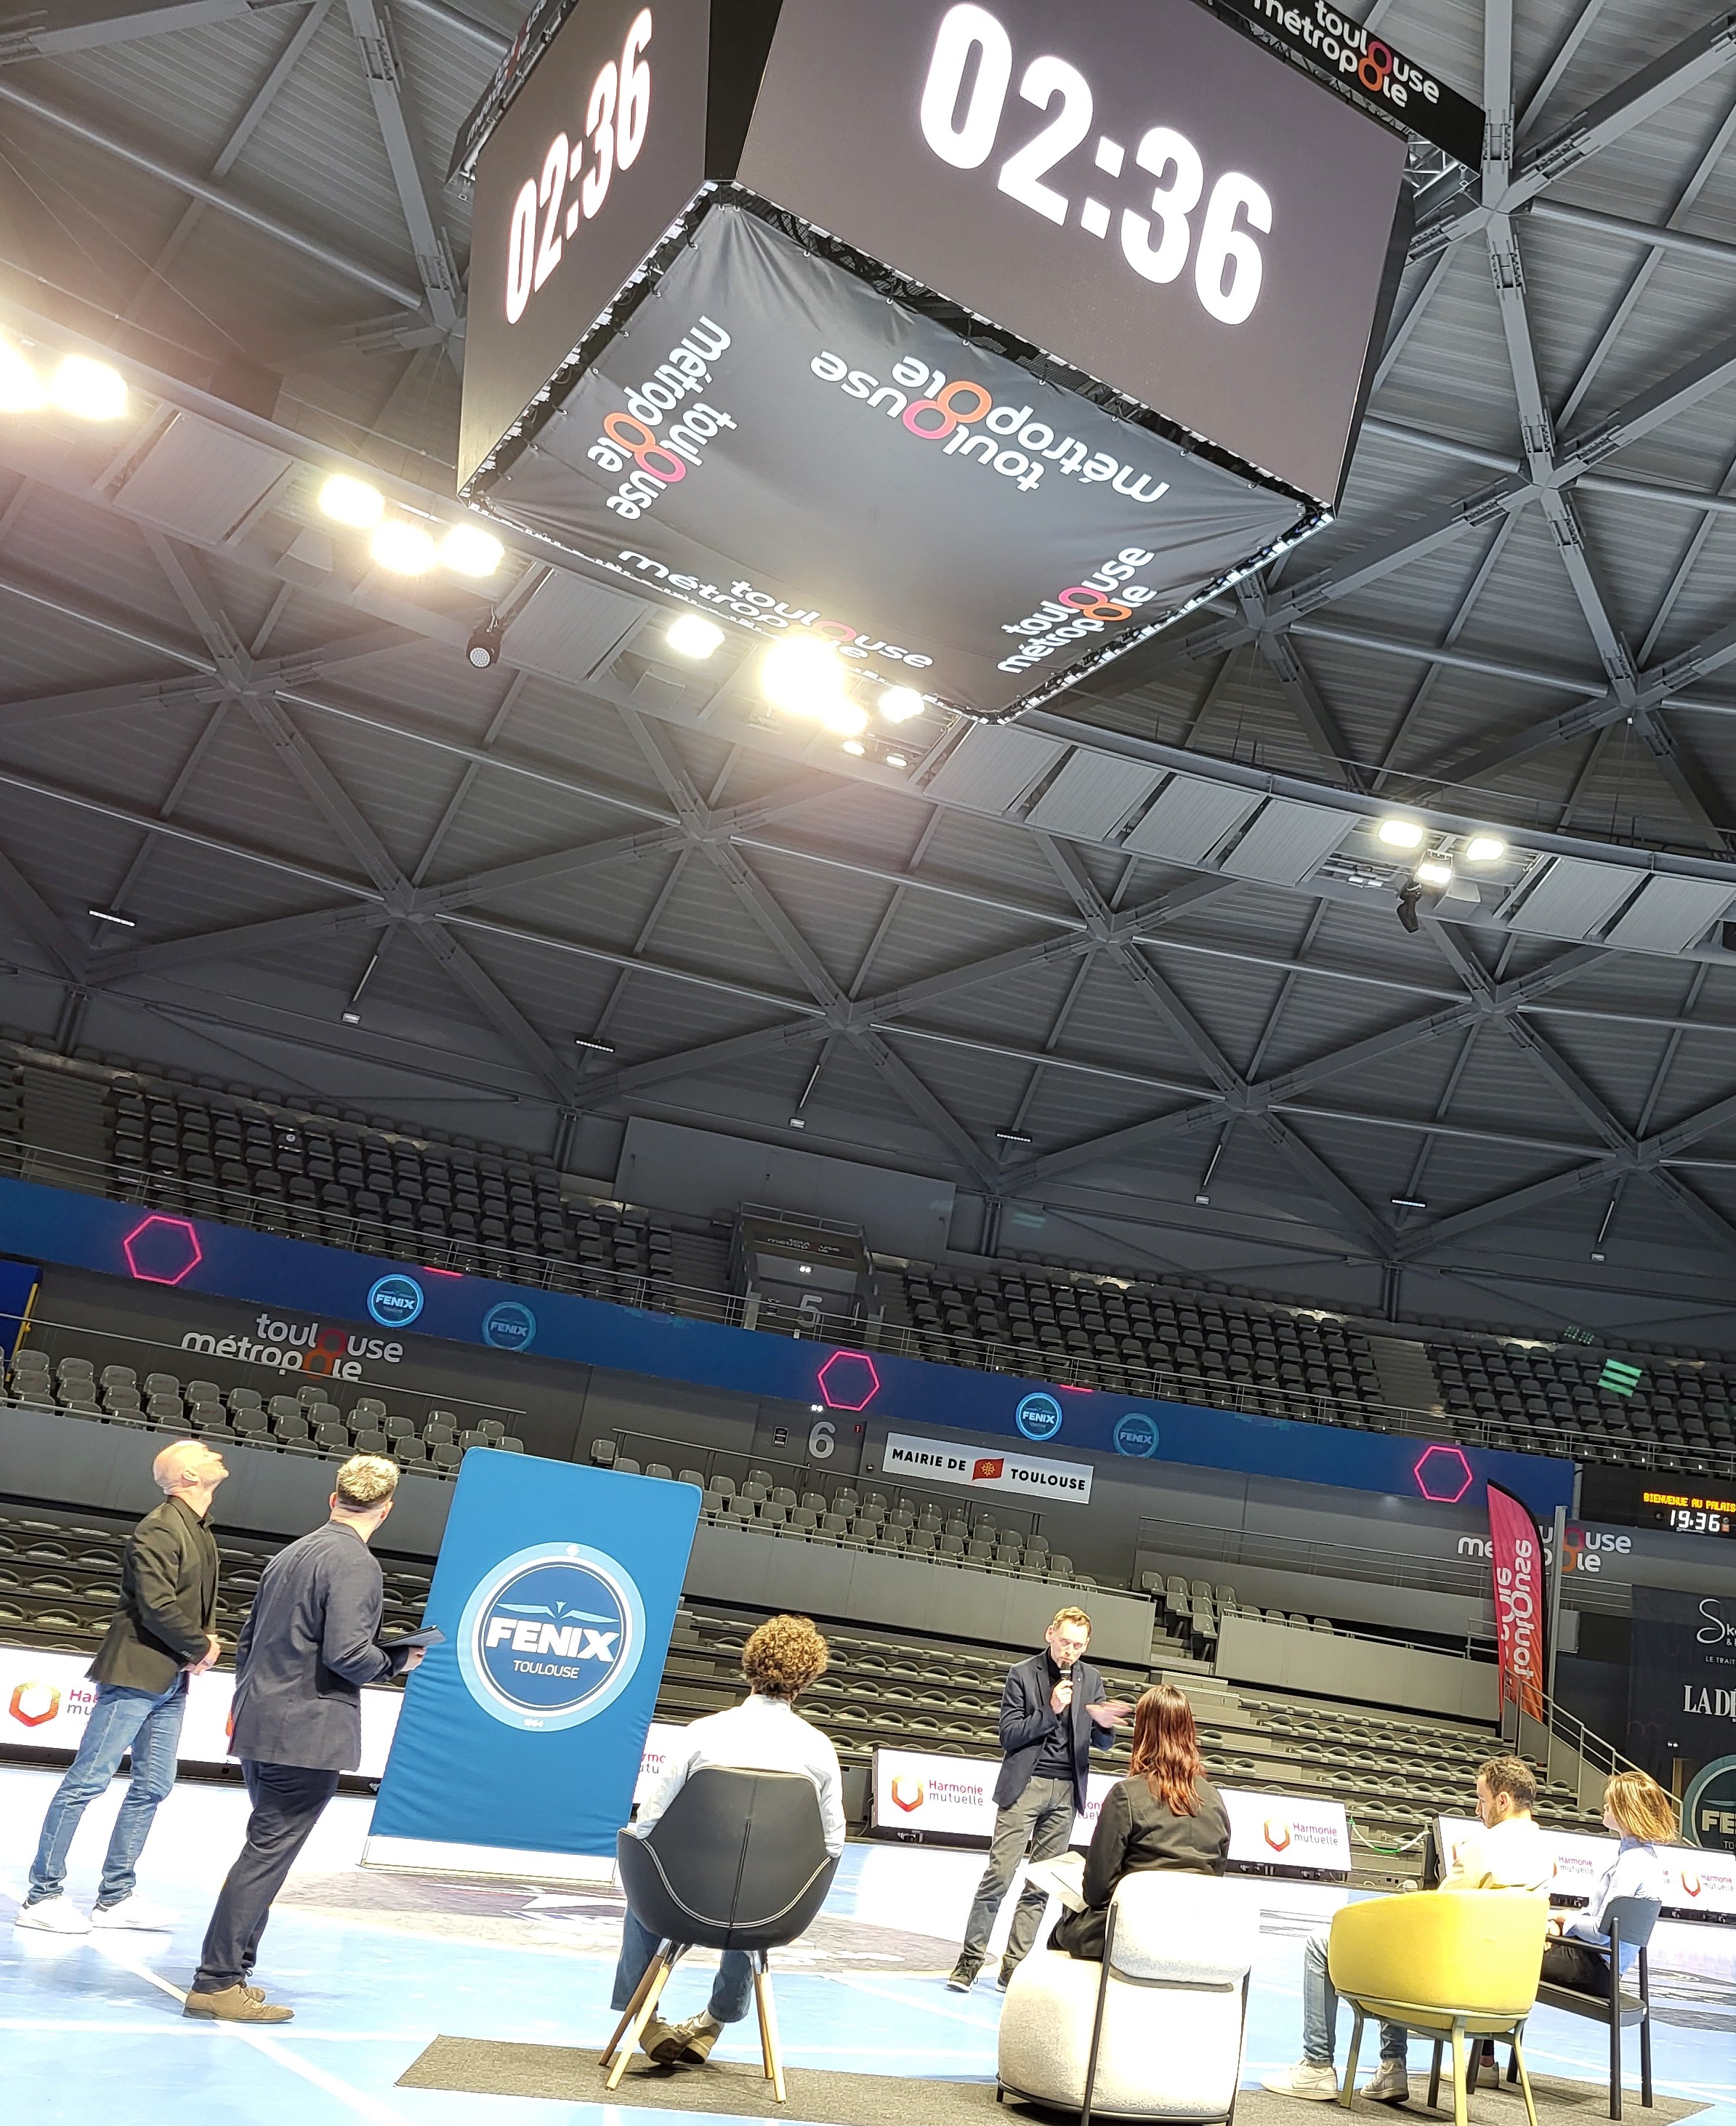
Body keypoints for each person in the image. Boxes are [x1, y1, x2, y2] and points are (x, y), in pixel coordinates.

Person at [183, 1455, 424, 2023]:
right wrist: (395, 1660)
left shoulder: (293, 1552)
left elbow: (251, 1639)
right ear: (386, 1510)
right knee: (266, 1854)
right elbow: (346, 1654)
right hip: (307, 1730)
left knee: (264, 1847)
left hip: (261, 1718)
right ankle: (216, 1980)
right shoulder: (356, 1563)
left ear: (332, 1498)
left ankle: (233, 1970)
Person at [15, 1437, 227, 1935]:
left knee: (154, 1784)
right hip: (136, 1672)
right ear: (187, 1477)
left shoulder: (199, 1528)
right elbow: (155, 1604)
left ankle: (115, 1896)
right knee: (87, 1781)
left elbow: (194, 1602)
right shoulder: (158, 1526)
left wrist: (200, 1643)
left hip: (169, 1675)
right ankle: (42, 1894)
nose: (215, 1455)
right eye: (203, 1454)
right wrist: (202, 1645)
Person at [613, 1612, 843, 2067]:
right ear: (807, 1680)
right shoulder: (820, 1748)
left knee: (641, 1892)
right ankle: (714, 2023)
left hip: (680, 1902)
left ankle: (647, 2020)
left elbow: (649, 1822)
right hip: (771, 1914)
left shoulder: (703, 1733)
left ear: (748, 1667)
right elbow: (833, 1845)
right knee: (767, 1881)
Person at [1264, 1754, 1554, 2106]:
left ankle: (1321, 2066)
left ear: (1503, 1801)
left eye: (1481, 1800)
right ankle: (1390, 2070)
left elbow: (1436, 1914)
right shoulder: (1547, 1855)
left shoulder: (1482, 1850)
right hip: (1508, 2002)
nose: (1478, 1811)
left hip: (1450, 1998)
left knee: (1328, 1944)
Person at [950, 1606, 1131, 1992]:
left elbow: (1099, 1742)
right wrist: (1051, 1710)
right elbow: (1009, 1735)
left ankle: (1012, 1968)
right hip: (1025, 1785)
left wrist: (1104, 1725)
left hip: (1066, 1791)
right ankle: (969, 1961)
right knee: (999, 1876)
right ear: (1050, 1634)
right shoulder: (1022, 1675)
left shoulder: (1092, 1679)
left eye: (1078, 1646)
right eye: (1065, 1642)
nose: (1070, 1651)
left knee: (1039, 1885)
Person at [1046, 1683, 1230, 1962]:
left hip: (1133, 1932)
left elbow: (1096, 1891)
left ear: (1143, 1732)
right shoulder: (1214, 1799)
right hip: (1193, 1935)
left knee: (1063, 1930)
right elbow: (1215, 1876)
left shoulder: (1126, 1795)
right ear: (1189, 1731)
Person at [1542, 1770, 1676, 1991]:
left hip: (1594, 1968)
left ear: (1628, 1811)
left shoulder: (1632, 1863)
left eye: (1611, 1803)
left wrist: (1562, 1917)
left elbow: (1601, 1933)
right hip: (1603, 1967)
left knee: (1513, 1953)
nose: (1605, 1806)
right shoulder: (1645, 1859)